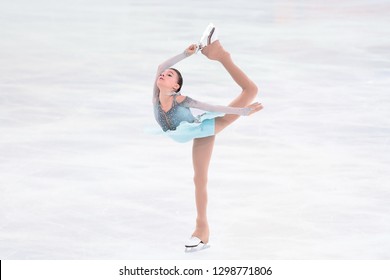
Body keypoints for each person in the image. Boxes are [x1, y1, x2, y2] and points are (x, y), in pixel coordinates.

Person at [153, 23, 263, 249]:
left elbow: (210, 106)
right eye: (164, 73)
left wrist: (242, 111)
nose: (164, 74)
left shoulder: (182, 100)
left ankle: (201, 229)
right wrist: (185, 54)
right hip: (186, 131)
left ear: (176, 86)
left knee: (199, 177)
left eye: (170, 74)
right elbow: (160, 65)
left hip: (203, 129)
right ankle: (219, 53)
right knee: (199, 177)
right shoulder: (156, 97)